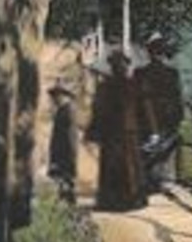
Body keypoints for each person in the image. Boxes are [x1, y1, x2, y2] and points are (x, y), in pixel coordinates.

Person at [86, 48, 146, 211]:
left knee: (118, 165)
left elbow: (98, 110)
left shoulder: (108, 86)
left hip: (117, 131)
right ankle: (129, 200)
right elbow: (143, 109)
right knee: (126, 165)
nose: (120, 67)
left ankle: (115, 201)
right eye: (118, 64)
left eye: (120, 64)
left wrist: (93, 131)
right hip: (124, 131)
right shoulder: (131, 85)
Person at [137, 32, 184, 195]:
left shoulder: (140, 73)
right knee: (165, 148)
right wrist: (179, 116)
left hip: (148, 117)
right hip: (165, 117)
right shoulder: (172, 73)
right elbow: (177, 97)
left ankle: (151, 180)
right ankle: (164, 181)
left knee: (149, 148)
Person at [46, 82, 78, 204]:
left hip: (65, 154)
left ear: (64, 96)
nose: (54, 99)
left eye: (56, 96)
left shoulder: (68, 110)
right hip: (60, 154)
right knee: (62, 184)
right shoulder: (62, 110)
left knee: (66, 183)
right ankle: (65, 207)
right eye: (53, 96)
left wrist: (69, 157)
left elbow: (69, 138)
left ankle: (69, 209)